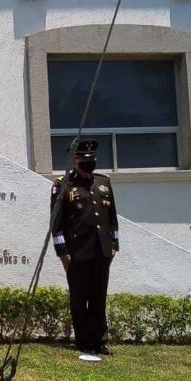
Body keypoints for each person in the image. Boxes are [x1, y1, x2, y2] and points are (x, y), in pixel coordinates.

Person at [50, 139, 119, 356]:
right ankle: (83, 341)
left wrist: (114, 245)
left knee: (99, 296)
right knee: (80, 298)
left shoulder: (103, 182)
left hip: (102, 250)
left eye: (92, 159)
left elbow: (112, 218)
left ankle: (100, 340)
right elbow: (56, 225)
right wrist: (63, 254)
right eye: (84, 159)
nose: (89, 163)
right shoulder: (63, 185)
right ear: (75, 160)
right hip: (77, 252)